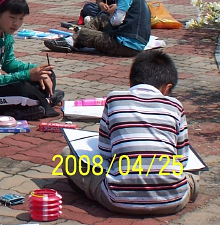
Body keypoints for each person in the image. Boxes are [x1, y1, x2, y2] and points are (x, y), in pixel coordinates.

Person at [62, 50, 198, 215]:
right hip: (173, 200)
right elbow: (182, 161)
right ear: (167, 87)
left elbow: (105, 152)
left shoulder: (114, 100)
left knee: (68, 155)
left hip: (116, 200)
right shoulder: (175, 106)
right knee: (195, 171)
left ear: (132, 80)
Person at [45, 0, 151, 57]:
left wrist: (111, 18)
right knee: (102, 19)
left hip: (124, 45)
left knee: (83, 32)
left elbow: (117, 21)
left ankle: (71, 41)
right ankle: (73, 41)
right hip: (137, 44)